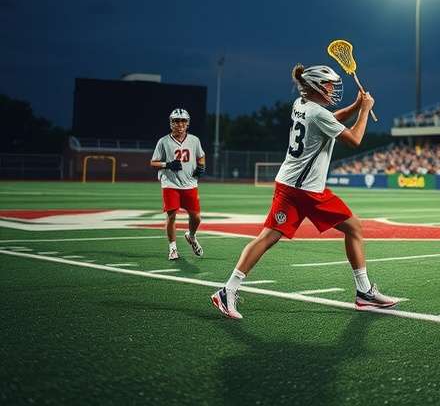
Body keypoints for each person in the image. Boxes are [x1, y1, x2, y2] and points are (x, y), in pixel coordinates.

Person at [211, 64, 397, 319]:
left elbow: (330, 119)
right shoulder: (317, 114)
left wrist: (355, 108)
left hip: (293, 186)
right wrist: (364, 111)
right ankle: (364, 293)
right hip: (305, 190)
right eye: (330, 85)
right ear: (317, 87)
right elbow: (354, 140)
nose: (333, 89)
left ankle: (228, 290)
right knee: (352, 228)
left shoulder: (301, 104)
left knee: (269, 237)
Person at [150, 108, 206, 260]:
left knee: (196, 217)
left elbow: (201, 156)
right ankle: (173, 248)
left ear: (187, 123)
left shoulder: (194, 140)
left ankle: (192, 236)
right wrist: (167, 164)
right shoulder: (163, 141)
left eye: (183, 121)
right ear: (171, 123)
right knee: (172, 215)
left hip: (189, 183)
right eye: (176, 121)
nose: (180, 124)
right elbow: (153, 162)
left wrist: (201, 167)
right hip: (170, 183)